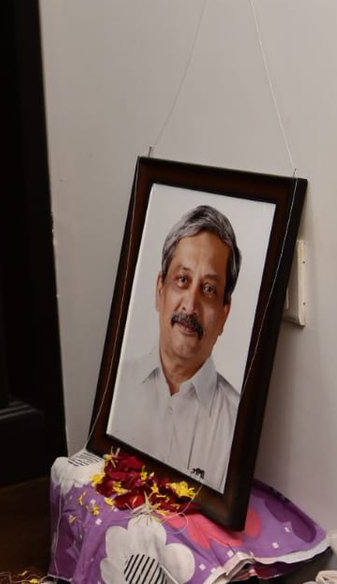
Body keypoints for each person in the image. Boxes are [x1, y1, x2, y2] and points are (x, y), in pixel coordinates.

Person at [109, 205, 242, 491]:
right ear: (160, 290)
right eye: (182, 280)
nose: (190, 306)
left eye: (208, 289)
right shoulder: (116, 389)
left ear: (224, 313)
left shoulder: (237, 423)